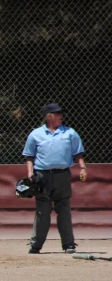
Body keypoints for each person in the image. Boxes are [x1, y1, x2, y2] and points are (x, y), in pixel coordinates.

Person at [22, 103, 87, 254]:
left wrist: (83, 168)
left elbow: (78, 153)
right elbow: (29, 156)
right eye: (57, 114)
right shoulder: (35, 134)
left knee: (64, 208)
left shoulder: (70, 133)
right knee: (42, 210)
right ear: (48, 116)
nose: (61, 116)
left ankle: (68, 245)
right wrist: (30, 172)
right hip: (42, 175)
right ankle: (36, 245)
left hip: (63, 174)